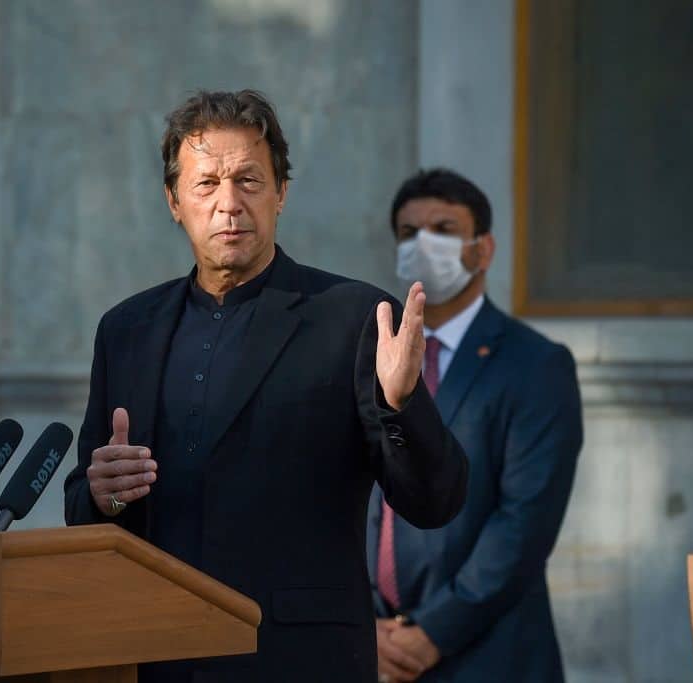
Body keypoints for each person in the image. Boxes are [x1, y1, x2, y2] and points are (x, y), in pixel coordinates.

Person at [63, 90, 468, 682]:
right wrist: (103, 495)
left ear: (281, 193)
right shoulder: (127, 329)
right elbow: (88, 505)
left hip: (295, 658)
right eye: (206, 184)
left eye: (249, 181)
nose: (229, 204)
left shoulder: (353, 318)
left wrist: (400, 404)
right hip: (154, 654)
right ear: (173, 201)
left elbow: (434, 503)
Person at [369, 169, 583, 682]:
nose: (424, 244)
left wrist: (432, 633)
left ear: (483, 250)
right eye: (409, 232)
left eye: (443, 229)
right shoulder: (371, 355)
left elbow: (524, 522)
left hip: (487, 655)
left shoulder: (536, 365)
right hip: (372, 649)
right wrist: (361, 624)